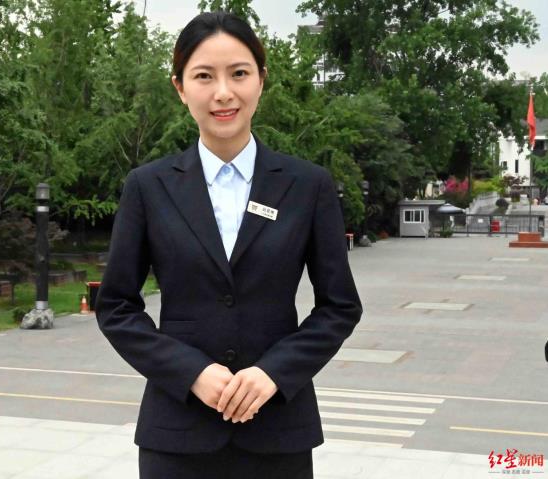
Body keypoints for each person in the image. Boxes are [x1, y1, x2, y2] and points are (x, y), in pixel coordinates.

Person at [95, 11, 362, 479]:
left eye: (239, 73)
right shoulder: (148, 186)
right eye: (204, 76)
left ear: (261, 80)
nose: (223, 92)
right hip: (177, 434)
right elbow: (116, 306)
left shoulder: (307, 185)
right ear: (180, 87)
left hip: (277, 433)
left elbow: (339, 307)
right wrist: (191, 373)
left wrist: (273, 373)